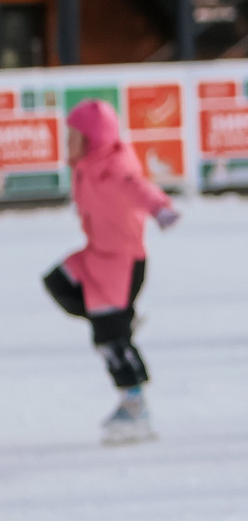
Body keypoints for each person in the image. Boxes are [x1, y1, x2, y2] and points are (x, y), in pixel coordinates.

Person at [42, 100, 178, 444]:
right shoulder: (86, 166)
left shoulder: (114, 166)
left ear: (93, 138)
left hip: (121, 263)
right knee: (59, 281)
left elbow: (139, 187)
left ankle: (134, 404)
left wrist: (161, 209)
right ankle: (119, 321)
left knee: (109, 339)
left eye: (74, 136)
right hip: (95, 256)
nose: (68, 142)